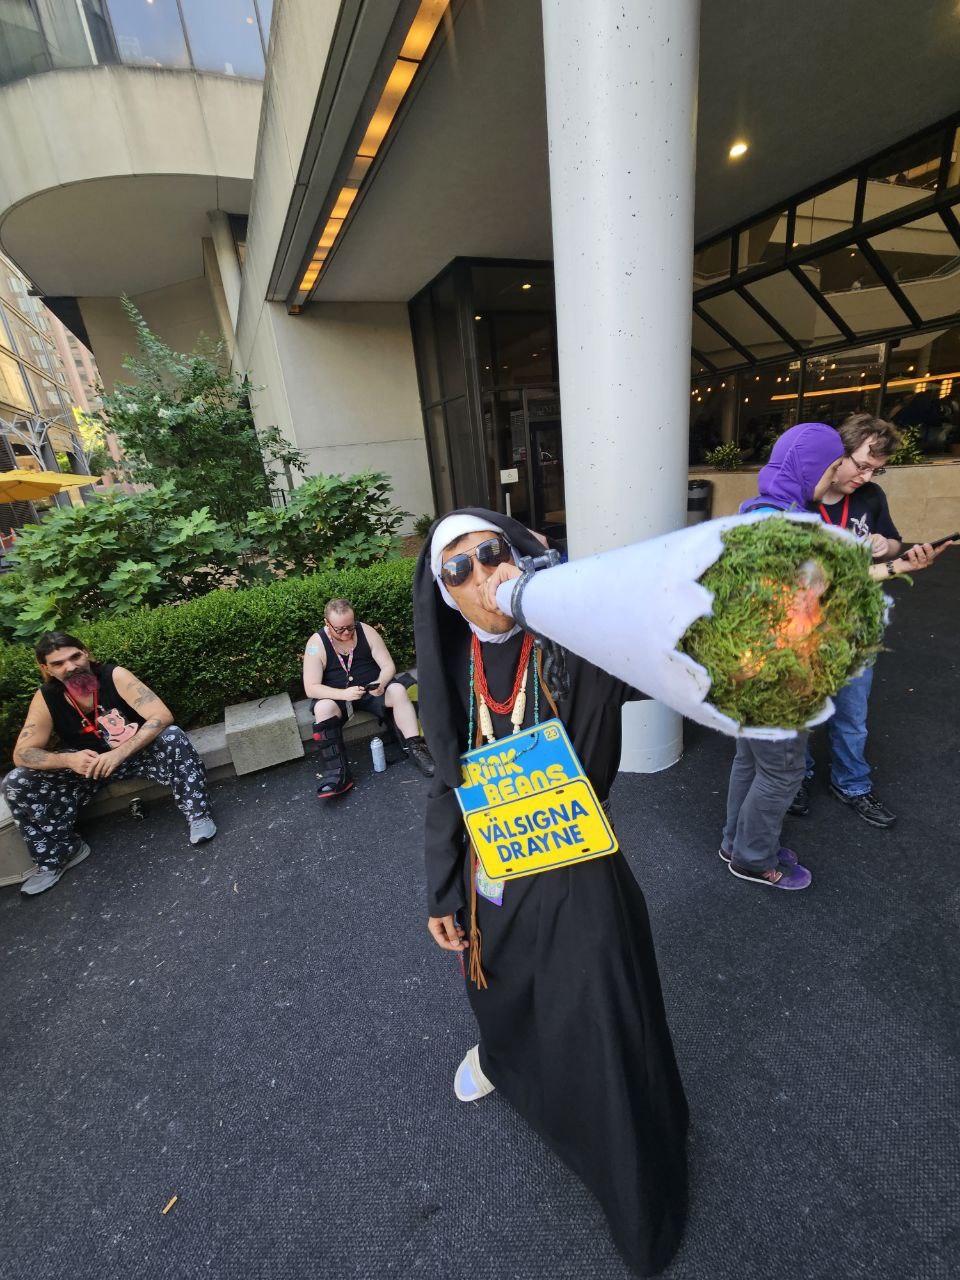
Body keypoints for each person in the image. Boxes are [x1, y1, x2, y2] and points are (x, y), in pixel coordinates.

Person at [414, 510, 688, 1278]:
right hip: (496, 869)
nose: (481, 575)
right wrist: (440, 889)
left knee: (600, 1012)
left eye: (490, 553)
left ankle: (631, 1180)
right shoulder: (456, 664)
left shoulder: (574, 640)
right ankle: (507, 1064)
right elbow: (447, 781)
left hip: (579, 870)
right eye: (457, 570)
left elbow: (662, 638)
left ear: (518, 553)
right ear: (445, 595)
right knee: (498, 986)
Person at [789, 413, 955, 826]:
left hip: (857, 623)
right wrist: (896, 567)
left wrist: (887, 545)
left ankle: (851, 784)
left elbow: (894, 541)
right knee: (801, 712)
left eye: (875, 470)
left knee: (853, 715)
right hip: (803, 627)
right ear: (837, 455)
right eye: (861, 465)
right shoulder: (800, 500)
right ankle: (797, 777)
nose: (865, 477)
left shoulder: (871, 496)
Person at [719, 422, 845, 891]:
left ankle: (735, 843)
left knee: (750, 761)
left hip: (743, 667)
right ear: (809, 467)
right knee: (783, 771)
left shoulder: (755, 511)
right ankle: (754, 860)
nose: (835, 476)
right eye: (832, 466)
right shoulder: (790, 527)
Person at [3, 631, 216, 898]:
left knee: (172, 736)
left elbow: (161, 715)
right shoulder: (46, 697)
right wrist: (69, 759)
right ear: (46, 668)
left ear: (86, 653)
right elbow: (22, 753)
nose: (71, 666)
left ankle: (198, 814)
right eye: (58, 663)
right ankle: (60, 855)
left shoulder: (114, 675)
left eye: (75, 656)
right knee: (16, 781)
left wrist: (119, 753)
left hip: (135, 753)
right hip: (88, 767)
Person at [302, 597, 433, 798]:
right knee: (322, 708)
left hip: (371, 689)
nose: (347, 633)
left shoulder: (366, 631)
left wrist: (381, 682)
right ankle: (337, 772)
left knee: (397, 690)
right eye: (340, 629)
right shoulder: (316, 643)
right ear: (327, 623)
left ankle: (417, 749)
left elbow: (388, 666)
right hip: (338, 696)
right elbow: (311, 688)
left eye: (350, 626)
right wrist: (343, 694)